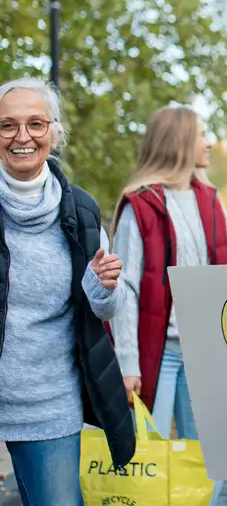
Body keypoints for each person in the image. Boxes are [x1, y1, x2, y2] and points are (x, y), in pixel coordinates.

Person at [0, 78, 135, 505]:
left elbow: (105, 307)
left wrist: (102, 286)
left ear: (55, 134)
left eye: (36, 124)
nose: (22, 137)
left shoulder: (81, 209)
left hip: (48, 402)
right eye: (7, 125)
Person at [109, 106, 227, 504]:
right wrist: (127, 363)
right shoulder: (140, 206)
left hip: (204, 352)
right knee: (149, 456)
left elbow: (223, 278)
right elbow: (124, 288)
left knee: (211, 453)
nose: (209, 142)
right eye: (201, 133)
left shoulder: (212, 201)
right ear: (177, 141)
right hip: (155, 354)